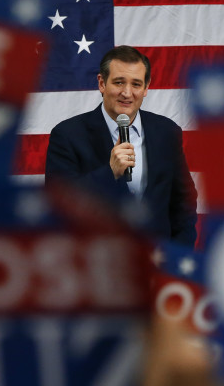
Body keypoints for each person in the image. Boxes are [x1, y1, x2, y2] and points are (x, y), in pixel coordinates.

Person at [45, 46, 198, 245]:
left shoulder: (166, 131)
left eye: (136, 84)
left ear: (146, 88)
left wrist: (176, 255)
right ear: (102, 83)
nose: (127, 93)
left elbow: (183, 204)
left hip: (157, 264)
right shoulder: (67, 135)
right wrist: (110, 172)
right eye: (119, 82)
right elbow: (58, 206)